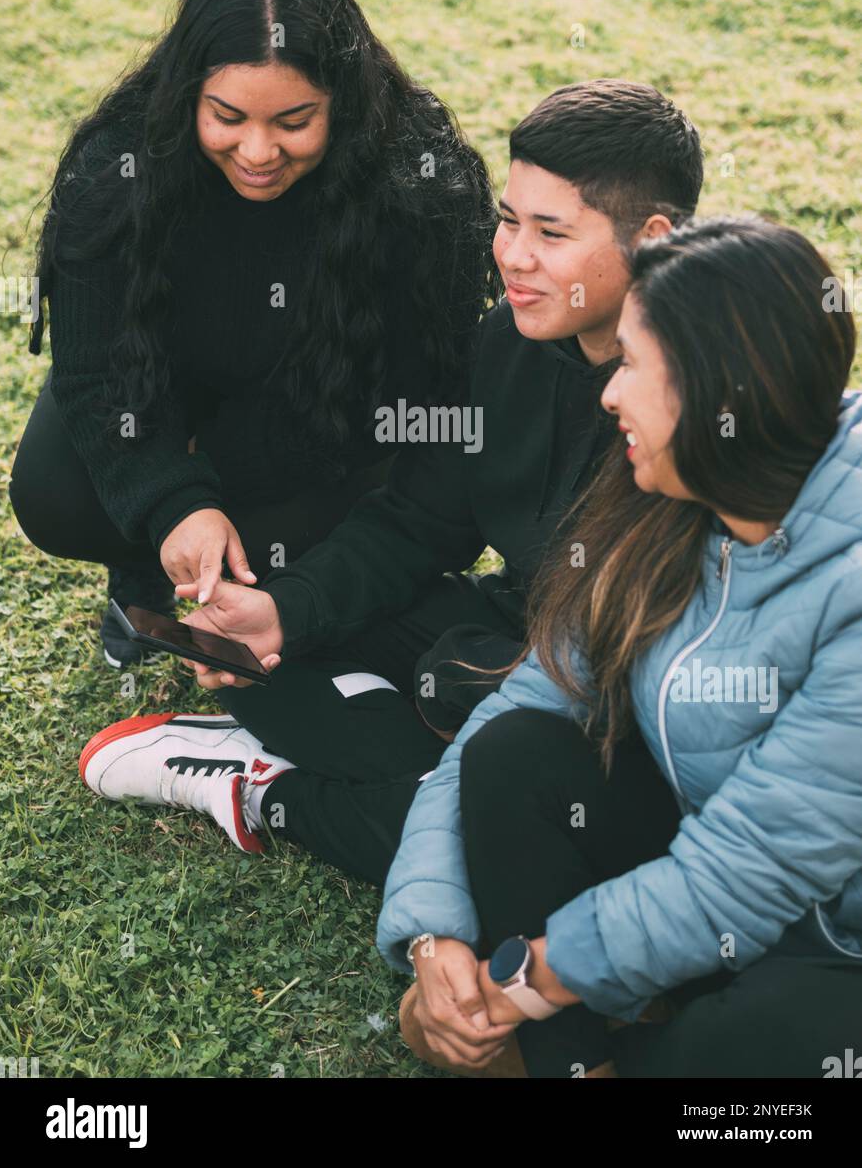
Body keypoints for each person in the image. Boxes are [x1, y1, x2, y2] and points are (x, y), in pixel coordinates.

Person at [77, 80, 705, 891]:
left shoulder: (700, 390)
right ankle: (392, 749)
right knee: (273, 624)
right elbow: (421, 518)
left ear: (653, 238)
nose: (512, 255)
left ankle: (270, 790)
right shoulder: (508, 341)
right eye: (509, 220)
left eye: (551, 233)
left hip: (601, 702)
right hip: (497, 634)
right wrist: (282, 615)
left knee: (511, 835)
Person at [374, 215, 862, 1079]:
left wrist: (529, 980)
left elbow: (752, 870)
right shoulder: (663, 501)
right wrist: (433, 932)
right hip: (703, 886)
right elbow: (519, 708)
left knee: (756, 1044)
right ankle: (578, 1067)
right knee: (516, 755)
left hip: (831, 946)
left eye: (632, 364)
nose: (608, 394)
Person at [9, 0, 497, 666]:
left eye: (295, 121)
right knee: (54, 488)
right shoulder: (117, 168)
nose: (259, 150)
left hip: (331, 423)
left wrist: (225, 470)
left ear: (346, 103)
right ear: (188, 95)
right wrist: (172, 500)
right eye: (227, 116)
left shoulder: (416, 184)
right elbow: (96, 372)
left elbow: (422, 392)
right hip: (176, 395)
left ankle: (277, 586)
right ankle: (149, 563)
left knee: (290, 521)